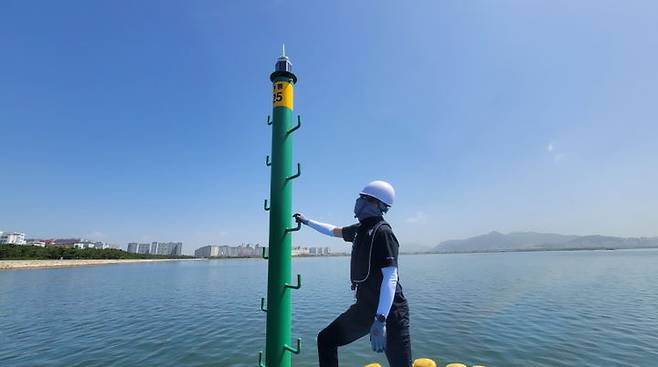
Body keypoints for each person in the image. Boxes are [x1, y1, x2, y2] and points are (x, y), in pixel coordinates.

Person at [294, 180, 412, 367]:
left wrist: (381, 320)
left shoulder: (383, 232)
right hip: (365, 308)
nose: (358, 202)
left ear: (376, 204)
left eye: (362, 198)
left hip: (391, 313)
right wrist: (307, 221)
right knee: (326, 340)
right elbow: (333, 231)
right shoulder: (360, 230)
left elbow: (390, 278)